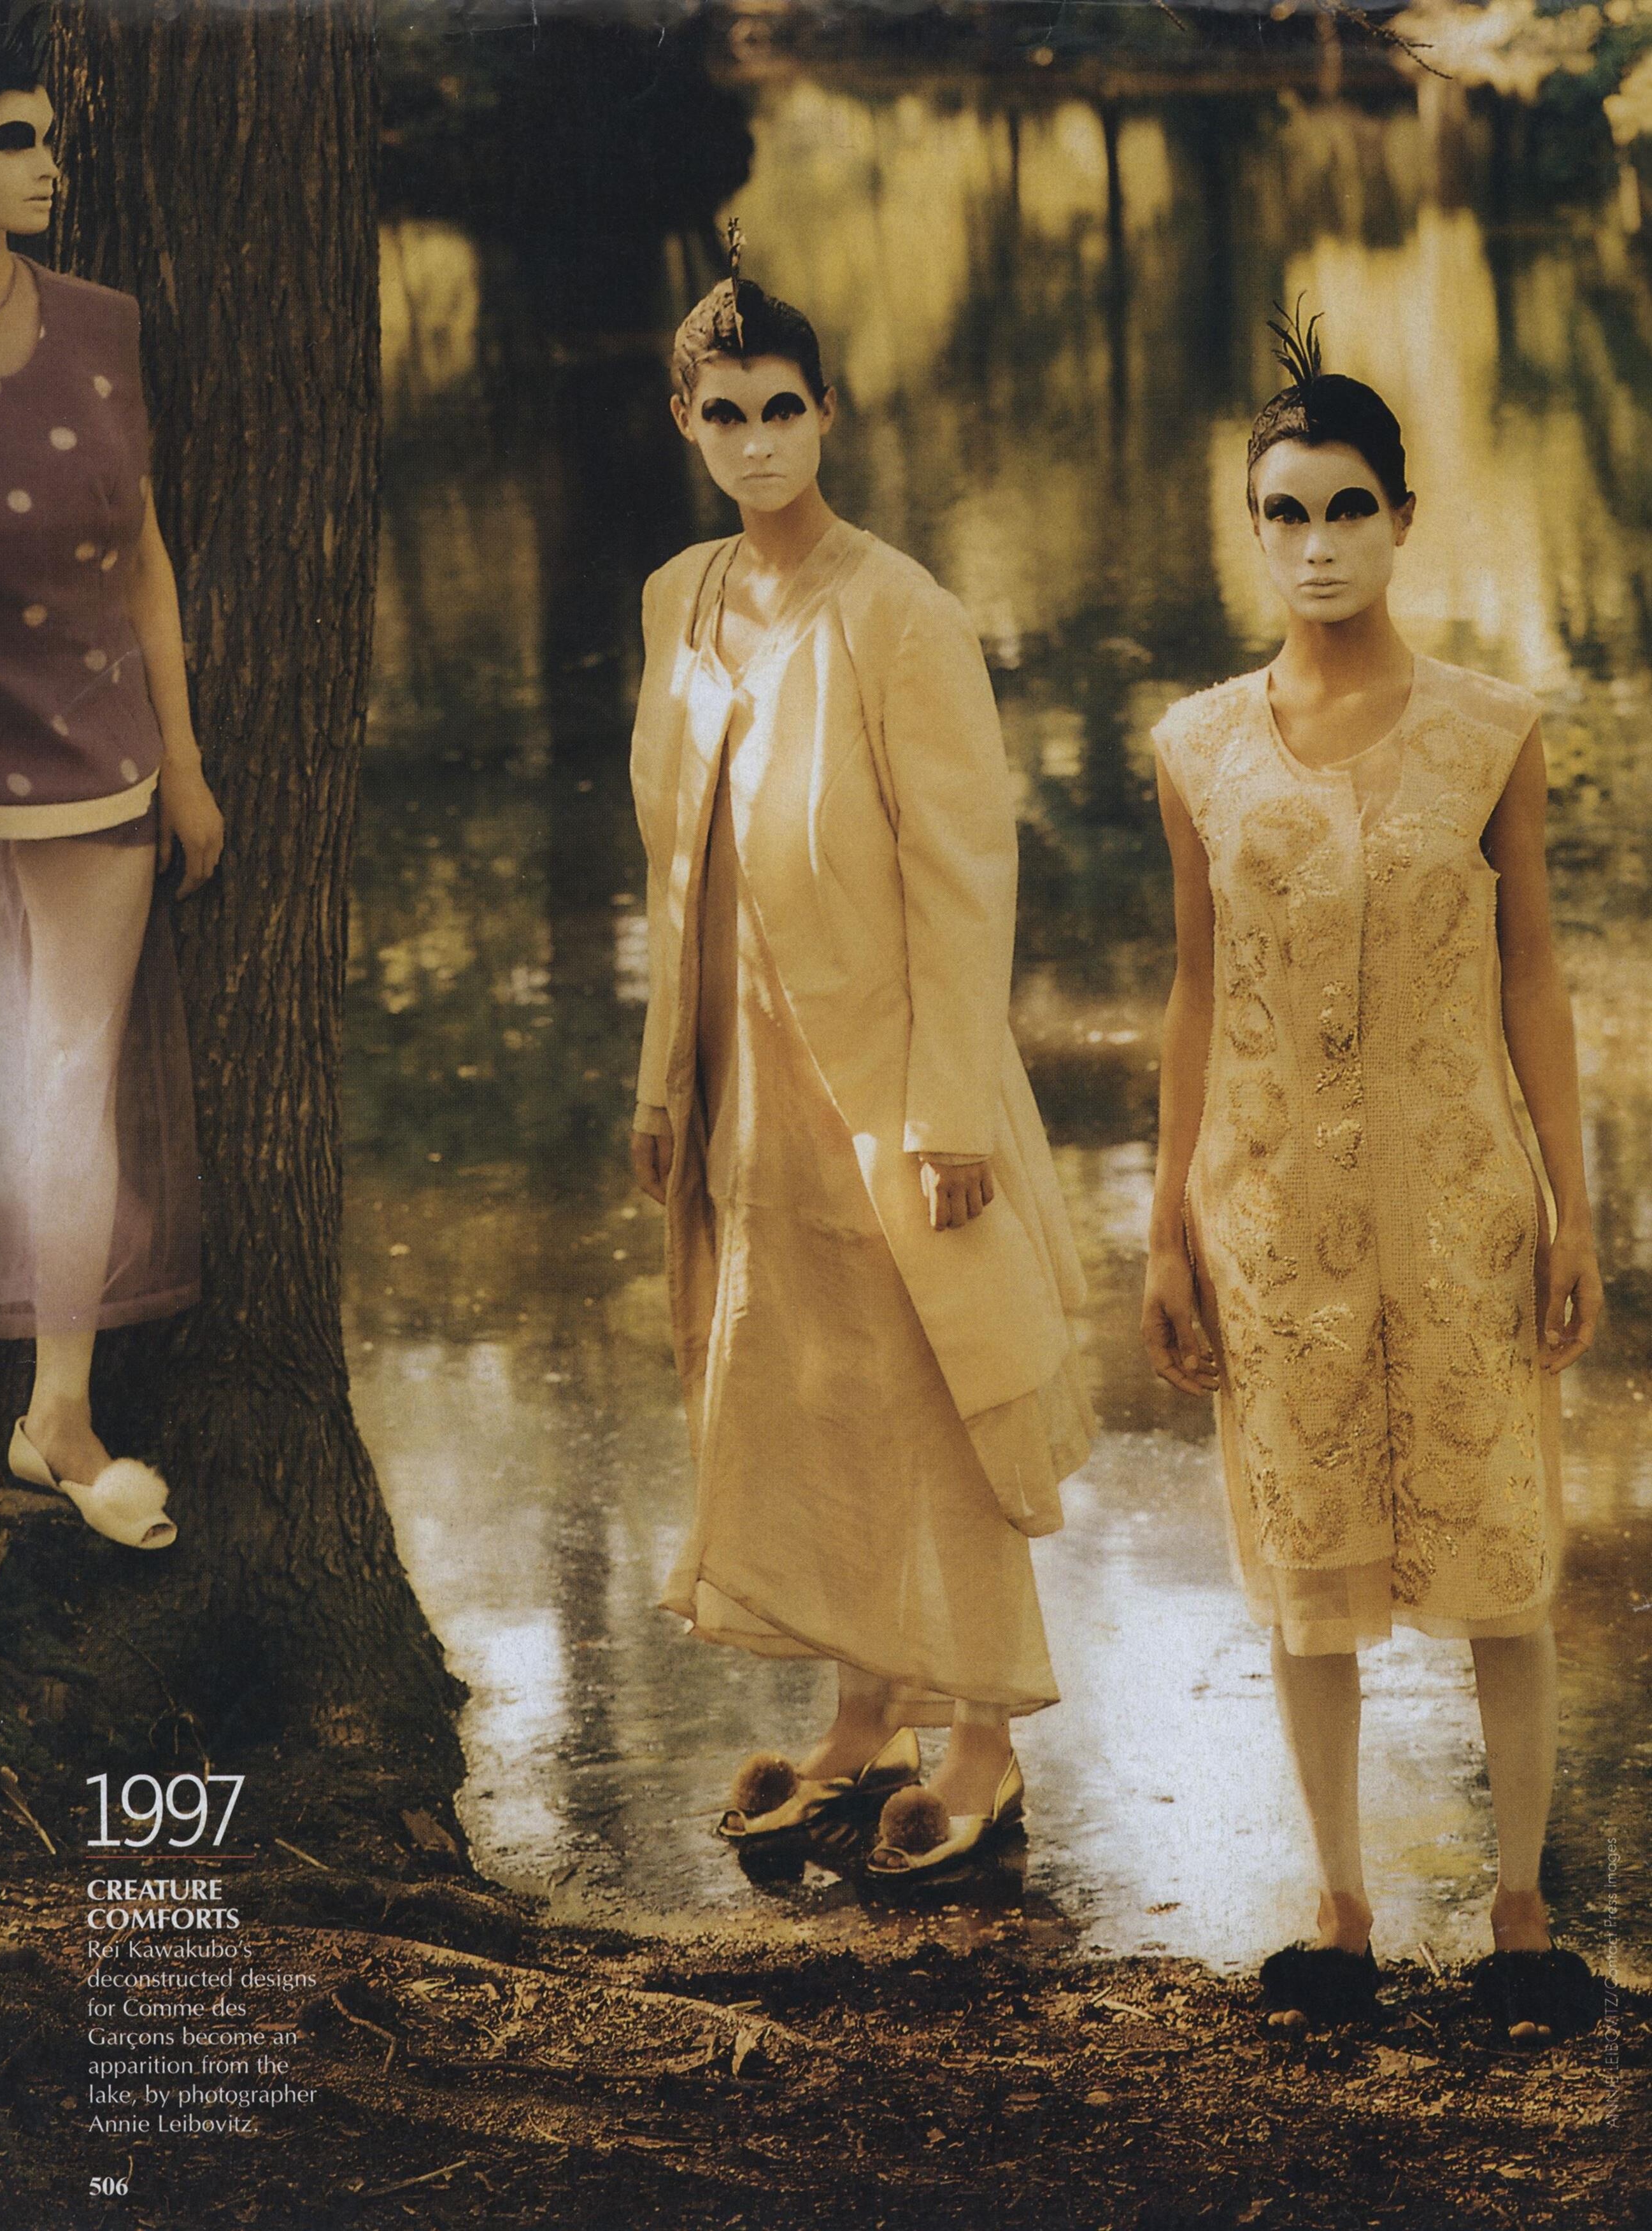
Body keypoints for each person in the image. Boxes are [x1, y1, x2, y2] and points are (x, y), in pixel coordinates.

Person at [1142, 307, 1604, 2042]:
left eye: (1349, 508)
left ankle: (1520, 1912)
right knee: (1302, 1560)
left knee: (1502, 1549)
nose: (1319, 544)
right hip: (1271, 1214)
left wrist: (1571, 1208)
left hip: (1465, 1201)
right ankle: (1337, 1910)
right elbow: (1193, 989)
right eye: (1287, 513)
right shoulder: (1196, 748)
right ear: (1254, 533)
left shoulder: (1491, 728)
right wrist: (1166, 1226)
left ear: (1404, 519)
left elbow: (1535, 975)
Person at [629, 243, 1092, 1879]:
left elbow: (967, 878)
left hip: (896, 1083)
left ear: (828, 413)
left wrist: (951, 1112)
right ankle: (864, 1717)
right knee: (806, 1391)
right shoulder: (675, 600)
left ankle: (984, 1746)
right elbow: (674, 866)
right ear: (685, 423)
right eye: (725, 415)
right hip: (748, 1083)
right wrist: (662, 1081)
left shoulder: (903, 613)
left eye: (782, 410)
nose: (757, 442)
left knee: (939, 1397)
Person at [0, 20, 223, 1552]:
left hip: (93, 761)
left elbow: (143, 552)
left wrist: (184, 765)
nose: (49, 164)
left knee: (67, 1089)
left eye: (46, 136)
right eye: (14, 139)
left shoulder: (102, 323)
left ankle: (58, 1416)